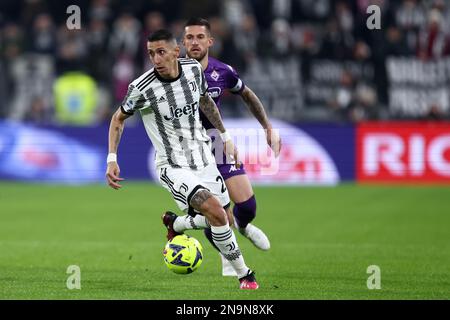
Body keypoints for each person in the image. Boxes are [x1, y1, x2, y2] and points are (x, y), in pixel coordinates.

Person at [105, 29, 258, 290]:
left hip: (203, 158)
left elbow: (205, 102)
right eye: (151, 53)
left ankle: (176, 222)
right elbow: (118, 118)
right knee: (212, 208)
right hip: (172, 165)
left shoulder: (193, 71)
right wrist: (111, 158)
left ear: (176, 51)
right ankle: (246, 275)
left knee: (222, 217)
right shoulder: (141, 88)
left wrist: (225, 136)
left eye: (161, 52)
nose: (156, 59)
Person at [162, 18, 282, 277]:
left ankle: (230, 225)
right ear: (182, 43)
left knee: (247, 207)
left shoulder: (223, 71)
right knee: (216, 211)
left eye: (199, 37)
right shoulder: (171, 73)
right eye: (189, 38)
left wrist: (267, 127)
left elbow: (247, 94)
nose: (194, 42)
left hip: (217, 143)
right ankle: (229, 260)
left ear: (209, 41)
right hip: (190, 151)